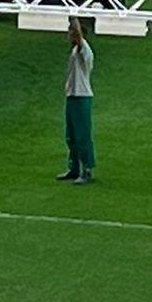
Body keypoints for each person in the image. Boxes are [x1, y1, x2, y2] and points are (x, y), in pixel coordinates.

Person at [57, 17, 94, 184]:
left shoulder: (84, 49)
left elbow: (78, 34)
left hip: (81, 97)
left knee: (82, 136)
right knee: (71, 135)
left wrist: (74, 16)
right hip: (72, 96)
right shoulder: (74, 52)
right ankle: (74, 168)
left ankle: (86, 170)